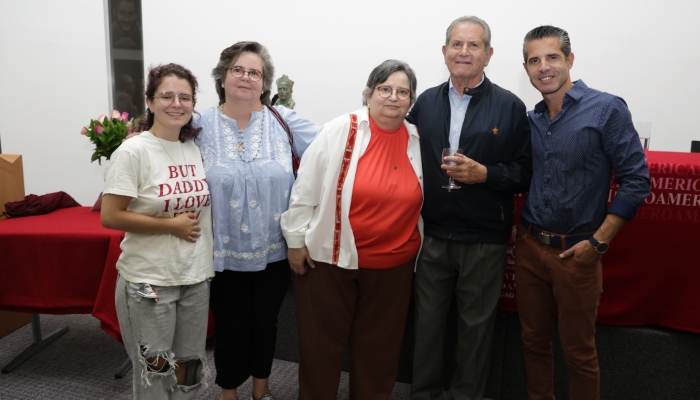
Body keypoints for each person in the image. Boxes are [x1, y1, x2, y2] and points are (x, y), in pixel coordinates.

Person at [516, 25, 650, 400]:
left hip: (577, 254)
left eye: (552, 57)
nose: (544, 67)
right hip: (529, 248)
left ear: (570, 59)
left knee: (579, 354)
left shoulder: (606, 109)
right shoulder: (532, 119)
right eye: (534, 60)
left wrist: (598, 243)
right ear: (526, 69)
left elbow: (636, 181)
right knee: (532, 344)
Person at [406, 16, 532, 400]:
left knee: (475, 331)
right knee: (426, 326)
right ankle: (423, 395)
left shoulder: (511, 106)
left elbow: (525, 173)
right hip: (431, 234)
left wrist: (486, 174)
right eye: (457, 44)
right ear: (444, 52)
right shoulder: (424, 103)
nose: (464, 52)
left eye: (473, 45)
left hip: (482, 237)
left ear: (488, 54)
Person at [281, 59, 422, 399]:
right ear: (369, 94)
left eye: (402, 92)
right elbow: (305, 188)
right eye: (385, 89)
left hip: (393, 267)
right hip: (329, 263)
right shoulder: (339, 130)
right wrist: (295, 241)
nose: (393, 97)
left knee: (379, 354)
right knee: (320, 350)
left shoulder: (417, 138)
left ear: (411, 101)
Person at [199, 41, 318, 400]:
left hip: (274, 251)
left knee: (266, 324)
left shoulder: (284, 121)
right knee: (230, 327)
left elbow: (333, 148)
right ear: (222, 76)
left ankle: (261, 392)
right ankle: (228, 394)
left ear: (265, 83)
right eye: (237, 69)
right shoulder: (198, 125)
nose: (246, 77)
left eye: (255, 72)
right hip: (221, 253)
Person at [101, 63, 213, 399]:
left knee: (189, 370)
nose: (176, 103)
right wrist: (170, 226)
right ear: (149, 102)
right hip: (149, 283)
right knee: (156, 373)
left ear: (193, 105)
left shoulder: (192, 149)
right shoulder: (133, 151)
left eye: (185, 97)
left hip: (194, 277)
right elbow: (110, 216)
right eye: (167, 96)